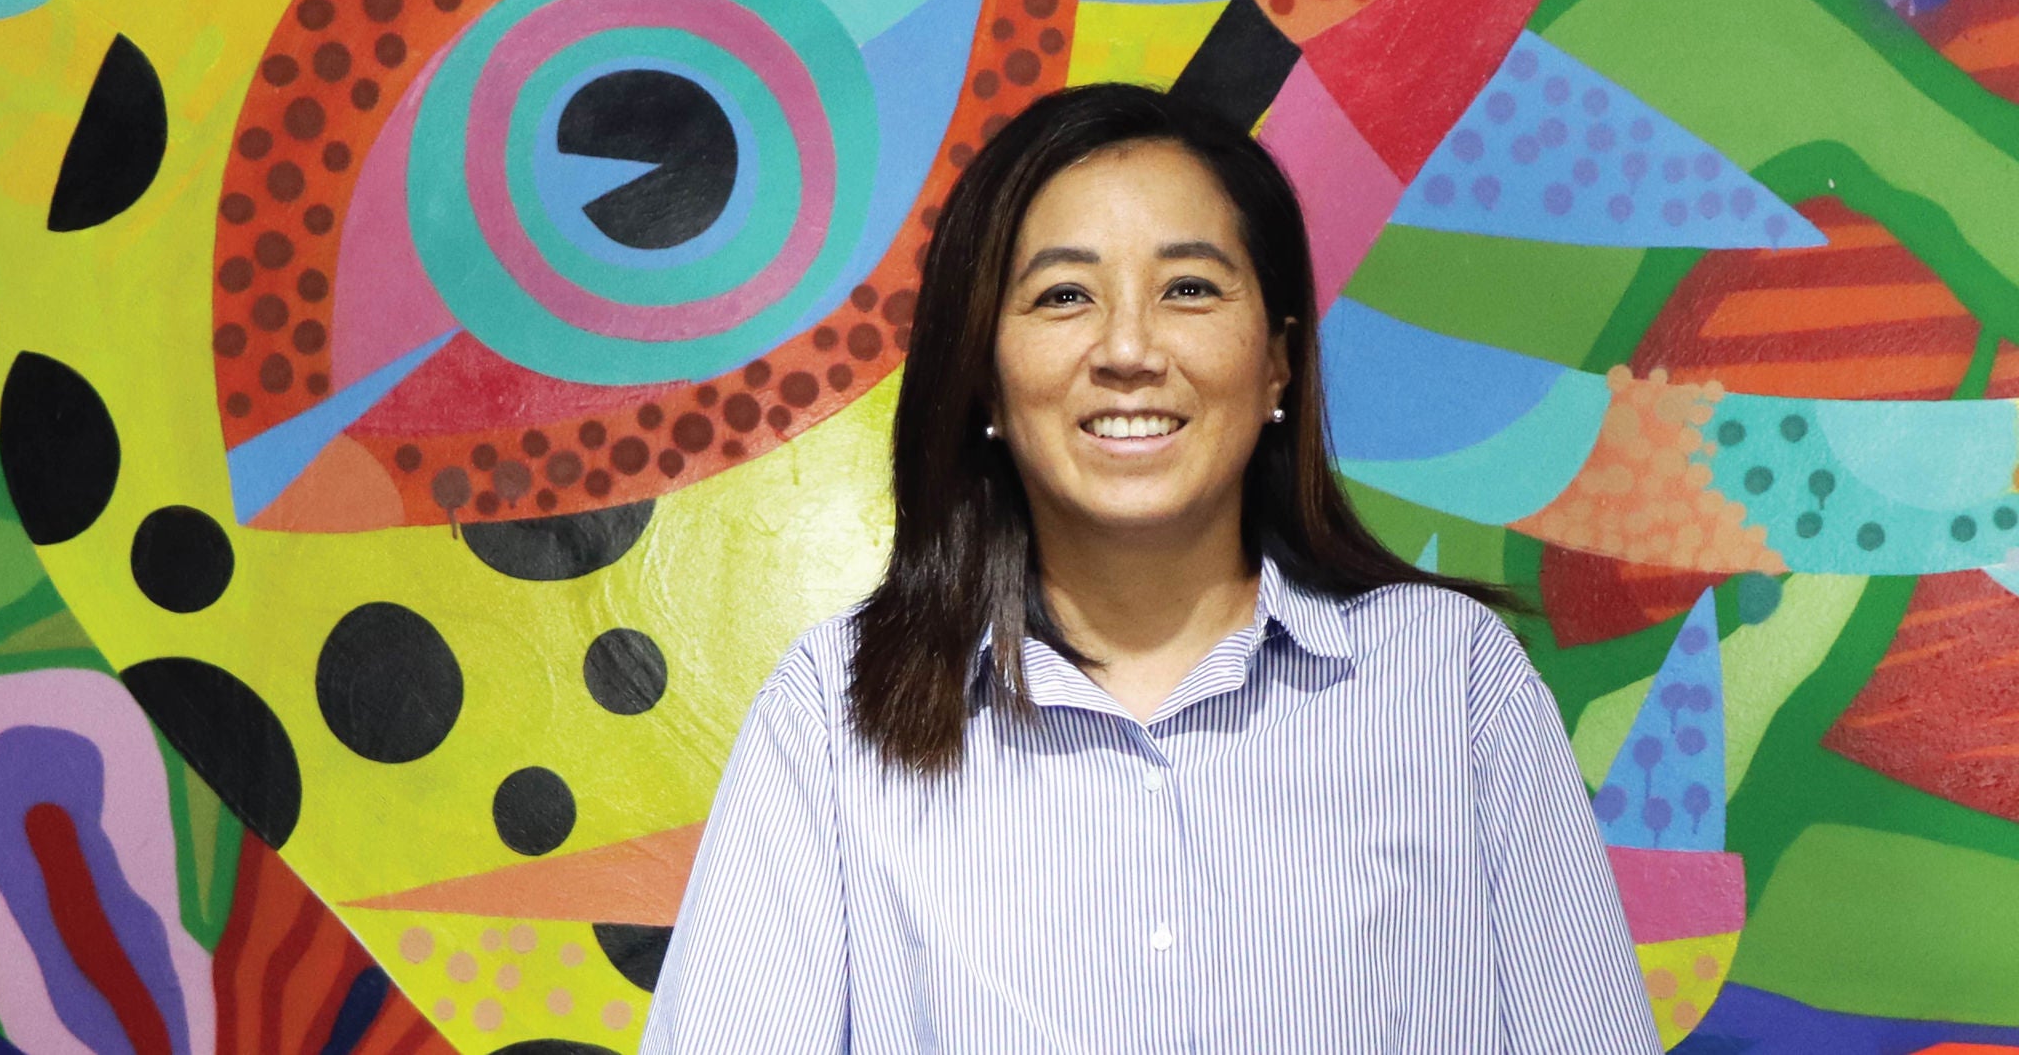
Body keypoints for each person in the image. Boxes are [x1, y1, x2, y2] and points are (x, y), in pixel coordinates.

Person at [640, 83, 1660, 1053]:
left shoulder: (1448, 681)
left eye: (1188, 289)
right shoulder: (832, 716)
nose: (1127, 349)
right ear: (984, 375)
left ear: (1276, 359)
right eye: (1063, 295)